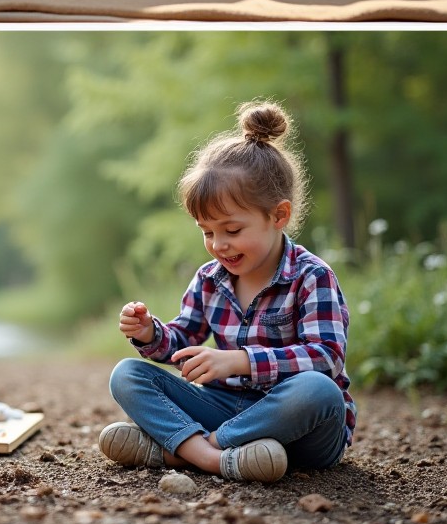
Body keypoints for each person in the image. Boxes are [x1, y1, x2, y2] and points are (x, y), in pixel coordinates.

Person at [101, 100, 355, 484]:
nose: (219, 244)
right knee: (127, 375)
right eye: (207, 231)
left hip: (300, 427)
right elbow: (181, 342)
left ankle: (187, 451)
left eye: (232, 230)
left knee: (319, 391)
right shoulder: (209, 279)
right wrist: (149, 333)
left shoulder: (311, 276)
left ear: (278, 216)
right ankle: (222, 458)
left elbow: (326, 357)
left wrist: (238, 361)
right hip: (225, 407)